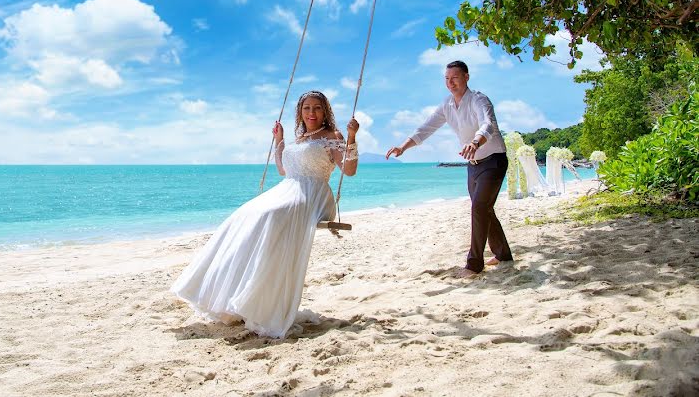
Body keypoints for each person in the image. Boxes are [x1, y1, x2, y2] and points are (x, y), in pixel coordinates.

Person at [171, 90, 359, 338]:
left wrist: (352, 136)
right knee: (244, 215)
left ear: (325, 111)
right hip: (288, 189)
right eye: (306, 108)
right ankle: (234, 295)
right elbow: (283, 170)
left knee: (269, 214)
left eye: (317, 108)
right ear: (300, 112)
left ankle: (261, 302)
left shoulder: (332, 136)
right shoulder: (300, 138)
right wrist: (279, 140)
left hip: (312, 193)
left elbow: (349, 170)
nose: (311, 113)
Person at [386, 60, 513, 278]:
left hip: (493, 160)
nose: (450, 83)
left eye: (454, 78)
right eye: (446, 79)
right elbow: (426, 127)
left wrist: (475, 142)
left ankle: (474, 264)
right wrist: (403, 147)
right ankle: (503, 254)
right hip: (473, 166)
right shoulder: (447, 105)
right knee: (483, 209)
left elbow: (488, 124)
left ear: (466, 77)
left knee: (479, 208)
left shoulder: (479, 100)